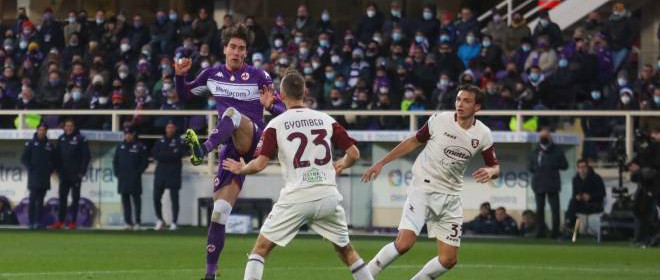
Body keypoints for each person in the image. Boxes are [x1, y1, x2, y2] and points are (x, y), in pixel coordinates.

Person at [223, 71, 374, 280]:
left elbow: (260, 164)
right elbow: (354, 154)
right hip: (327, 196)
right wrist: (342, 164)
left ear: (281, 95)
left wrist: (242, 169)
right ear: (305, 92)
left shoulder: (275, 125)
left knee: (261, 249)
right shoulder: (325, 119)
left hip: (297, 196)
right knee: (347, 251)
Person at [175, 24, 286, 280]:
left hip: (255, 138)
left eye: (242, 48)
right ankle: (210, 274)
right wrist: (180, 77)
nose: (237, 52)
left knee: (233, 114)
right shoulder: (211, 75)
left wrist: (272, 107)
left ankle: (202, 150)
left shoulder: (259, 77)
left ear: (246, 53)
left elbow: (283, 112)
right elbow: (186, 96)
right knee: (220, 212)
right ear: (224, 49)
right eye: (233, 47)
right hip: (231, 149)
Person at [361, 84, 500, 279]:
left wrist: (491, 171)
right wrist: (382, 162)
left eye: (466, 101)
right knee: (404, 243)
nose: (460, 104)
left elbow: (495, 166)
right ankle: (364, 276)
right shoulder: (440, 120)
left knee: (448, 260)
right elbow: (413, 141)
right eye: (458, 99)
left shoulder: (483, 134)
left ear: (477, 107)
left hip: (451, 196)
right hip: (423, 188)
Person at [50, 119, 91, 230]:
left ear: (74, 127)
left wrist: (81, 172)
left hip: (76, 175)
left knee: (75, 199)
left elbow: (86, 157)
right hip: (63, 175)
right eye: (67, 126)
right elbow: (56, 157)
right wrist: (57, 170)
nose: (68, 128)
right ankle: (61, 222)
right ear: (64, 127)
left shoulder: (81, 139)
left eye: (71, 126)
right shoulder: (61, 138)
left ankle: (73, 222)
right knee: (62, 199)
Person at [527, 128, 568, 238]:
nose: (543, 138)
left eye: (545, 136)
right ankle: (540, 231)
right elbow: (530, 167)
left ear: (550, 137)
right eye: (542, 136)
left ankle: (555, 232)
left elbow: (565, 165)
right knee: (539, 209)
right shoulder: (535, 151)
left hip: (552, 184)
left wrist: (551, 164)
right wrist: (537, 168)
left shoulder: (558, 151)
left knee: (555, 209)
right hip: (538, 184)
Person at [152, 120, 188, 231]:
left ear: (175, 129)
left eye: (172, 127)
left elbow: (181, 153)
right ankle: (160, 220)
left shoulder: (179, 141)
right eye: (168, 127)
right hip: (160, 173)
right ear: (166, 128)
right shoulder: (160, 141)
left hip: (174, 172)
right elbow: (155, 154)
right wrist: (171, 154)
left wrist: (165, 154)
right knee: (156, 197)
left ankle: (174, 222)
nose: (170, 129)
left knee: (174, 199)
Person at [21, 123, 58, 229]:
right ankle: (31, 221)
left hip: (44, 177)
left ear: (46, 131)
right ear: (37, 130)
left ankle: (38, 221)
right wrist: (31, 168)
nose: (42, 132)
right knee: (32, 199)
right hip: (34, 176)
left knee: (41, 201)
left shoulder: (49, 145)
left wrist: (50, 170)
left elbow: (55, 161)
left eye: (44, 130)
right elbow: (24, 159)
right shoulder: (31, 144)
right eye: (40, 130)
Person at [112, 125, 149, 230]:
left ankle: (138, 222)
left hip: (135, 178)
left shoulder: (140, 146)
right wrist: (117, 173)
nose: (127, 136)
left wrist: (138, 172)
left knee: (137, 200)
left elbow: (144, 162)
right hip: (123, 178)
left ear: (133, 134)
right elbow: (115, 162)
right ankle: (128, 222)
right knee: (125, 200)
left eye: (129, 134)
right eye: (126, 134)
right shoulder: (120, 146)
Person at [564, 159, 606, 231]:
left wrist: (590, 197)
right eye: (580, 167)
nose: (582, 169)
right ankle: (569, 227)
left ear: (587, 167)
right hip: (582, 204)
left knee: (571, 209)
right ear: (577, 169)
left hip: (595, 204)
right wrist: (577, 197)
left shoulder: (596, 178)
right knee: (572, 203)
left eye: (584, 167)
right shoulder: (575, 180)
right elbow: (574, 195)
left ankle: (568, 227)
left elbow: (602, 193)